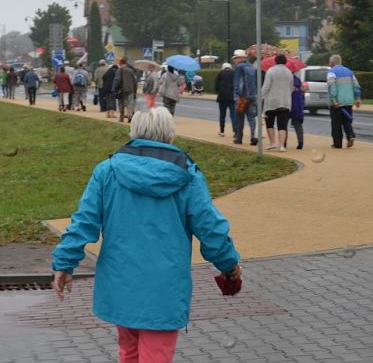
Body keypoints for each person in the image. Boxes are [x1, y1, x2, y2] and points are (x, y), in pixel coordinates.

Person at [52, 107, 242, 363]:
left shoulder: (107, 171)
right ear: (170, 135)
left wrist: (64, 263)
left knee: (128, 353)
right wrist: (229, 265)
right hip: (165, 287)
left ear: (135, 132)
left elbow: (83, 222)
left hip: (120, 282)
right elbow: (210, 228)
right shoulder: (188, 176)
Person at [327, 54, 361, 149]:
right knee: (347, 121)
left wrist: (333, 99)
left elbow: (331, 86)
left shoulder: (331, 72)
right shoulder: (349, 71)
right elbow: (356, 85)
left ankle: (337, 143)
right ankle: (350, 135)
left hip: (337, 102)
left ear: (332, 63)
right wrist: (357, 98)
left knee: (336, 123)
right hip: (348, 101)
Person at [261, 54, 294, 152]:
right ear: (285, 62)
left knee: (270, 123)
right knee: (282, 125)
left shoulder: (270, 71)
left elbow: (266, 86)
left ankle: (272, 142)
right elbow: (291, 87)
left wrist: (261, 97)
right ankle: (282, 146)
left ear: (275, 61)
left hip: (272, 102)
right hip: (285, 102)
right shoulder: (289, 73)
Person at [232, 50, 259, 146]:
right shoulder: (252, 67)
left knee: (239, 118)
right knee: (251, 118)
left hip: (242, 97)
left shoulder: (239, 67)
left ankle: (239, 138)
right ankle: (253, 137)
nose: (235, 60)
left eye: (236, 58)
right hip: (253, 96)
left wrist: (237, 96)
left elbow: (238, 83)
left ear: (241, 58)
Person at [214, 63, 236, 137]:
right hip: (232, 97)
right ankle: (235, 132)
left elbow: (216, 85)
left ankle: (222, 131)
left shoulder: (220, 73)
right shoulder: (234, 73)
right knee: (233, 115)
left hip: (222, 97)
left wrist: (219, 92)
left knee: (222, 115)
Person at [114, 57, 138, 123]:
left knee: (121, 104)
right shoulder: (130, 70)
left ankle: (121, 118)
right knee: (130, 103)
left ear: (120, 63)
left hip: (121, 90)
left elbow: (117, 80)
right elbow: (134, 81)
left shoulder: (119, 70)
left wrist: (115, 88)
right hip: (130, 89)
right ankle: (130, 116)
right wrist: (135, 89)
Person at [286, 75, 305, 150]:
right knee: (298, 124)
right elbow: (302, 93)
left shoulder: (285, 79)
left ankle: (283, 142)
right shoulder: (298, 80)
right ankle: (300, 142)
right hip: (297, 104)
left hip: (287, 103)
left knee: (283, 124)